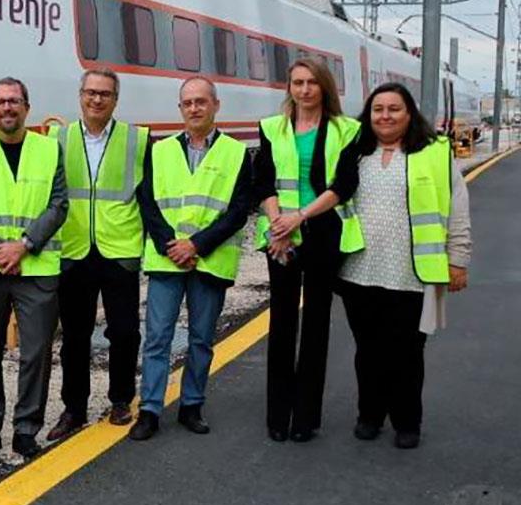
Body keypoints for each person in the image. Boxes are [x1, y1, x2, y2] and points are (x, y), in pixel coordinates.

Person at [338, 83, 470, 449]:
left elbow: (457, 209)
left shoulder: (435, 153)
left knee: (408, 352)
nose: (385, 115)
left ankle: (407, 421)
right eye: (378, 109)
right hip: (358, 270)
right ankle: (370, 414)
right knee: (367, 349)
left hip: (414, 273)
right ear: (368, 114)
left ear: (409, 113)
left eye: (394, 108)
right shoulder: (354, 153)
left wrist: (458, 259)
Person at [131, 77, 251, 440]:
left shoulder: (237, 152)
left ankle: (191, 406)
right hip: (168, 259)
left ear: (216, 105)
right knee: (157, 338)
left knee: (201, 339)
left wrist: (196, 245)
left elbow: (238, 210)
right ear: (180, 108)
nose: (195, 108)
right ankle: (150, 410)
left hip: (208, 260)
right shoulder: (160, 150)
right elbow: (148, 202)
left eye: (201, 101)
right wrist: (173, 244)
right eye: (188, 103)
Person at [0, 77, 68, 459]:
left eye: (15, 101)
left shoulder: (49, 149)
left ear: (27, 107)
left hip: (36, 268)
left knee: (35, 354)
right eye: (1, 101)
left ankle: (25, 430)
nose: (8, 108)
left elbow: (59, 205)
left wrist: (24, 246)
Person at [254, 58, 362, 443]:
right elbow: (263, 180)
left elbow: (344, 184)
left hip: (322, 232)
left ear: (324, 87)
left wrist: (298, 217)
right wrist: (277, 225)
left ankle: (305, 418)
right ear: (289, 87)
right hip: (280, 235)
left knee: (316, 323)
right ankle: (277, 416)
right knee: (281, 323)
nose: (304, 90)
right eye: (297, 82)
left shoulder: (346, 130)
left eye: (311, 83)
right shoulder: (272, 128)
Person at [46, 69, 149, 442]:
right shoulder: (59, 139)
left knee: (124, 332)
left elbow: (148, 197)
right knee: (75, 336)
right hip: (73, 250)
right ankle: (74, 408)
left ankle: (121, 399)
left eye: (105, 94)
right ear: (80, 96)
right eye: (90, 93)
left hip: (119, 250)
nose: (96, 100)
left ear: (115, 99)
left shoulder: (137, 140)